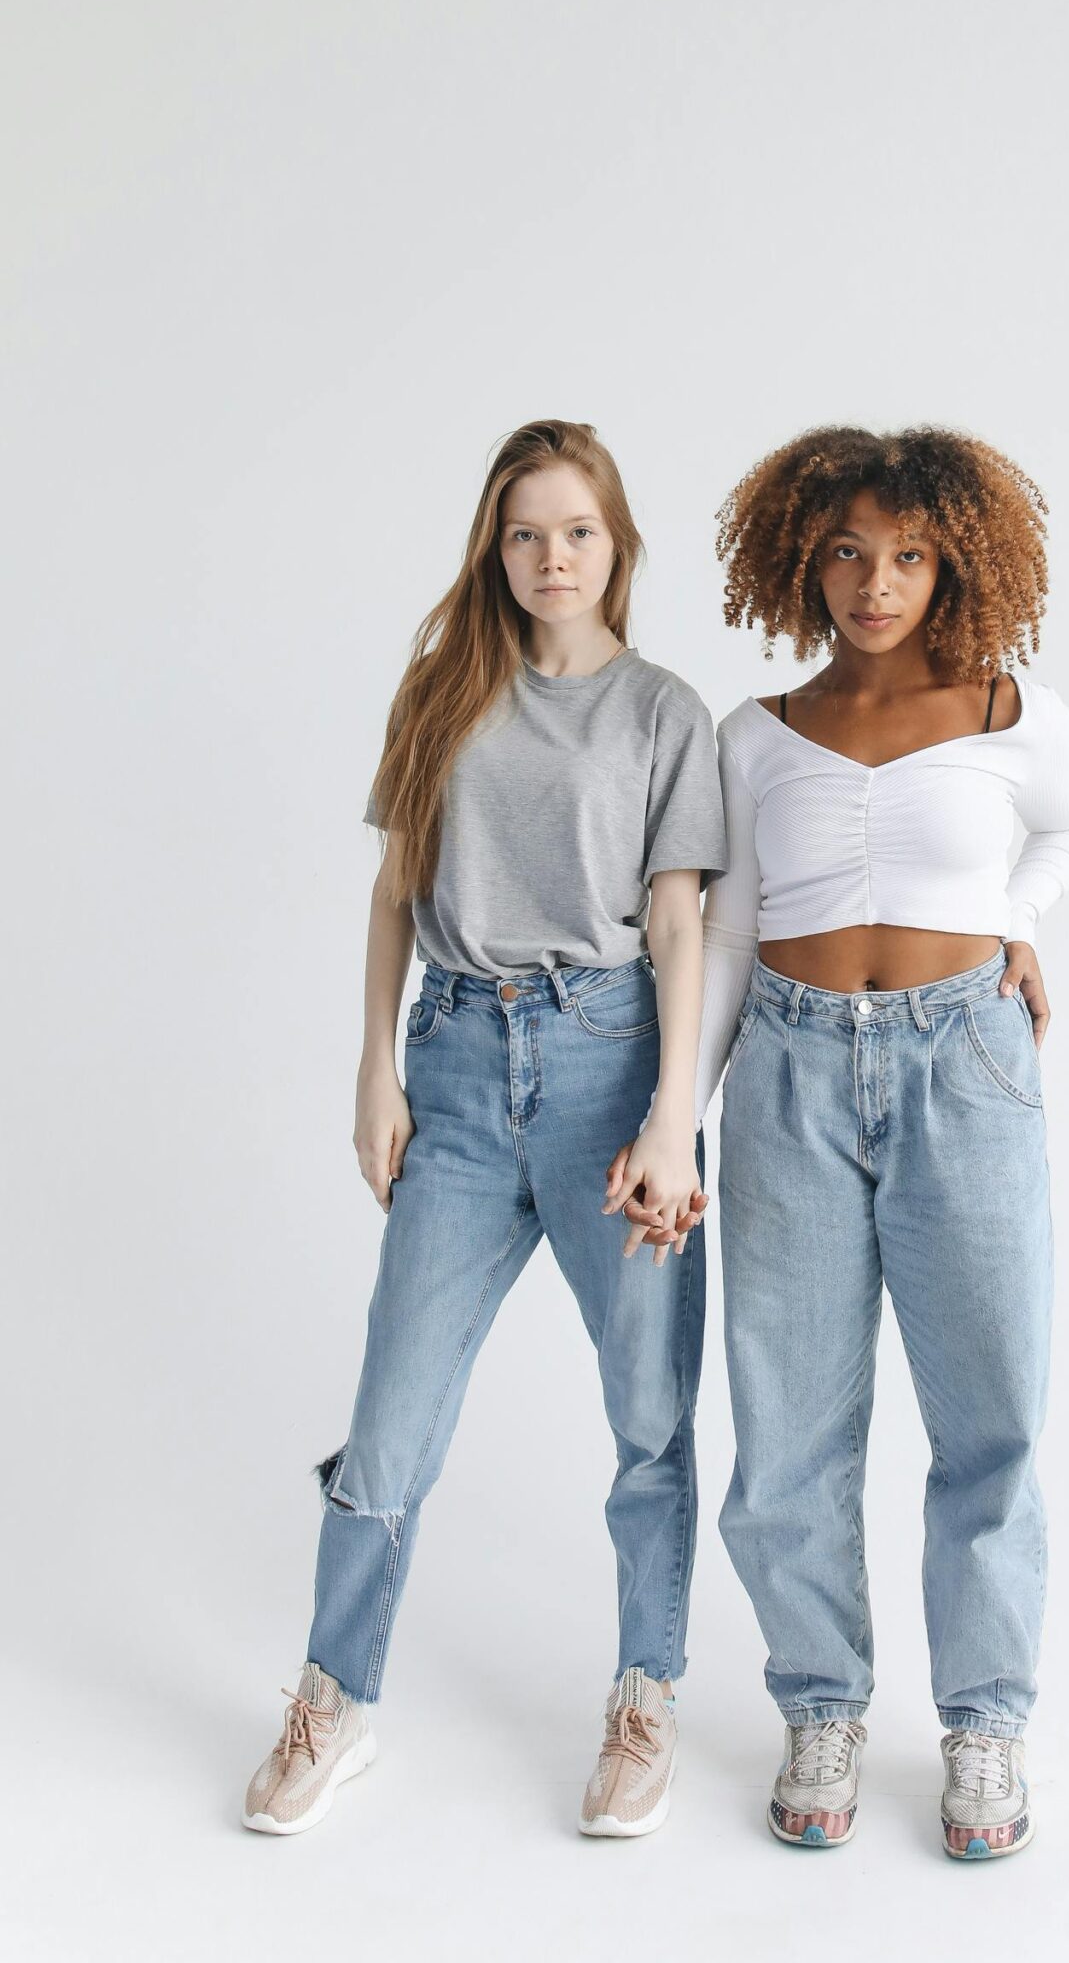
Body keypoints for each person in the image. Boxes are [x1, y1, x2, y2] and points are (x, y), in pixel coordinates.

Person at [243, 419, 725, 1839]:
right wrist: (373, 1069)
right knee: (393, 1411)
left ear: (617, 545)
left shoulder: (662, 714)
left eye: (577, 530)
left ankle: (646, 1697)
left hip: (607, 1064)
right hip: (454, 1063)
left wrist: (671, 1125)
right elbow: (397, 888)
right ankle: (337, 1697)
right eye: (525, 533)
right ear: (493, 547)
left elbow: (681, 925)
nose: (551, 557)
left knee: (647, 1416)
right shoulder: (446, 688)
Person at [678, 422, 1069, 1859]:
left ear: (955, 563)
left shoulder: (1009, 710)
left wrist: (1016, 929)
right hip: (791, 1074)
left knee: (989, 1410)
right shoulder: (758, 736)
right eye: (850, 552)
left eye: (909, 555)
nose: (876, 582)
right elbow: (732, 925)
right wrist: (680, 1117)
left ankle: (983, 1723)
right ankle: (822, 1703)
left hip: (964, 1065)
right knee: (787, 1422)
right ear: (804, 558)